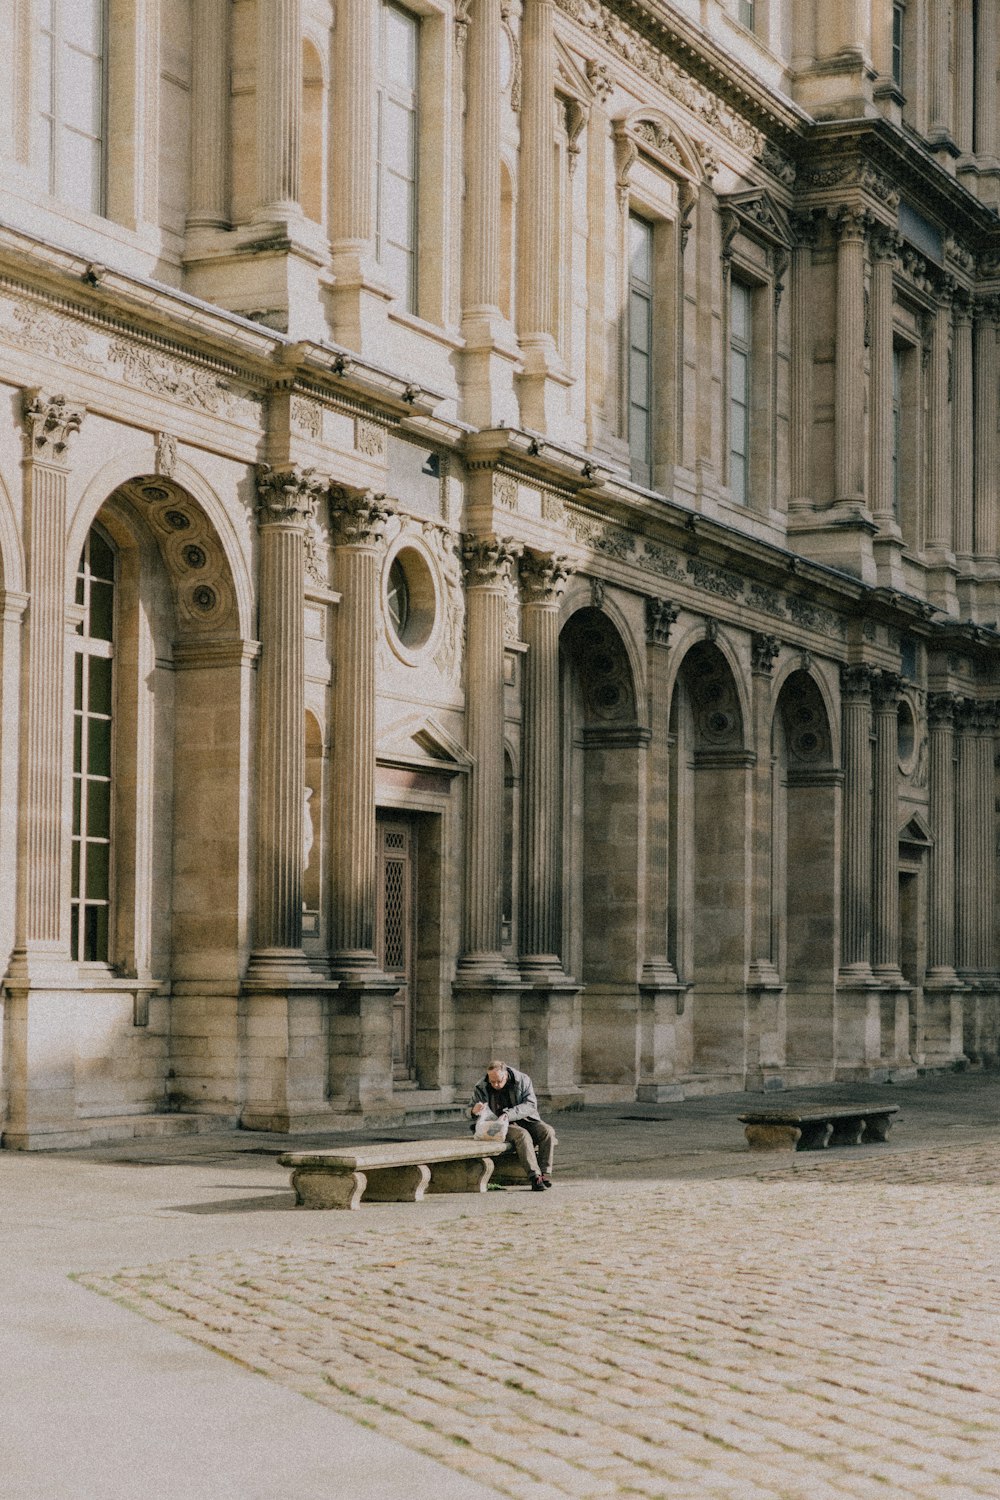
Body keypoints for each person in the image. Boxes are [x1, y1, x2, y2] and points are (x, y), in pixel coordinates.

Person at [470, 1059, 556, 1191]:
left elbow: (531, 1105)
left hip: (525, 1119)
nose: (496, 1085)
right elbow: (468, 1110)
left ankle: (544, 1174)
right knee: (522, 1135)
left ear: (506, 1074)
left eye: (499, 1081)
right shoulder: (481, 1086)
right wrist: (473, 1110)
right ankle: (534, 1177)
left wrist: (509, 1114)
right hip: (496, 1125)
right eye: (492, 1081)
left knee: (547, 1131)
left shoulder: (522, 1079)